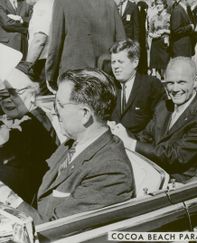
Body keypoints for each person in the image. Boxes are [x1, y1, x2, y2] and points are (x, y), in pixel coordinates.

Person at [0, 68, 135, 224]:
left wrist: (6, 195)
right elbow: (40, 178)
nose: (54, 112)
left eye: (60, 105)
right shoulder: (76, 142)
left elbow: (52, 230)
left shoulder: (111, 171)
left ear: (85, 114)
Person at [112, 57, 197, 183]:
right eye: (170, 83)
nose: (175, 89)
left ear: (195, 81)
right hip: (152, 172)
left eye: (181, 82)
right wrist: (120, 132)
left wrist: (130, 143)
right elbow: (145, 138)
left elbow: (175, 156)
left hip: (181, 184)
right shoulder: (164, 106)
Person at [0, 67, 57, 203]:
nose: (7, 100)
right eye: (2, 95)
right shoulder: (33, 116)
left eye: (13, 93)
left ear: (32, 93)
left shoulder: (32, 124)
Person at [45, 0, 126, 91]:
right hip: (104, 75)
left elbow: (56, 42)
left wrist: (50, 74)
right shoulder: (109, 3)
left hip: (74, 76)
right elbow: (122, 42)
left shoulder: (63, 2)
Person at [110, 39, 165, 134]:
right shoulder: (109, 86)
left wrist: (133, 141)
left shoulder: (151, 85)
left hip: (139, 144)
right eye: (113, 62)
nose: (115, 66)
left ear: (135, 63)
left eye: (120, 61)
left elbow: (160, 121)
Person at [26, 0, 54, 95]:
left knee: (40, 99)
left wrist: (26, 66)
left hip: (42, 62)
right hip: (49, 60)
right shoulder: (50, 4)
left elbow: (40, 39)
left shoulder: (43, 5)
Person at [149, 0, 171, 79]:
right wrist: (153, 35)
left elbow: (173, 31)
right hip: (155, 44)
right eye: (157, 4)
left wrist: (164, 31)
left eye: (160, 4)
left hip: (165, 43)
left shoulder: (169, 17)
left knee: (164, 67)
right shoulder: (153, 17)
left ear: (164, 5)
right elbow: (150, 32)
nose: (158, 6)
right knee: (154, 68)